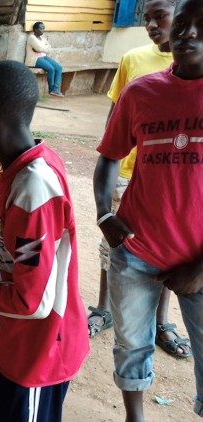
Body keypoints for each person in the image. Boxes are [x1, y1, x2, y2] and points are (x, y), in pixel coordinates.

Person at [0, 60, 89, 421]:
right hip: (18, 344)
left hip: (39, 352)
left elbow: (32, 302)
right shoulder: (17, 169)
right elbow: (24, 259)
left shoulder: (33, 188)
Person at [94, 0, 203, 419]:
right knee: (131, 342)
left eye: (201, 25)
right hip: (137, 252)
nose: (187, 33)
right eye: (184, 24)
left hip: (198, 261)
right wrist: (104, 214)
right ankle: (134, 416)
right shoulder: (142, 92)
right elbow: (108, 156)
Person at [26, 21, 65, 97]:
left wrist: (41, 49)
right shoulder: (31, 37)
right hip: (35, 59)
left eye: (44, 28)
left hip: (44, 57)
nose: (43, 30)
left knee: (58, 67)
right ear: (35, 29)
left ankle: (55, 89)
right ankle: (51, 89)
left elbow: (49, 48)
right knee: (51, 69)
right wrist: (42, 49)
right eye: (41, 28)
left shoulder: (43, 38)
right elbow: (39, 48)